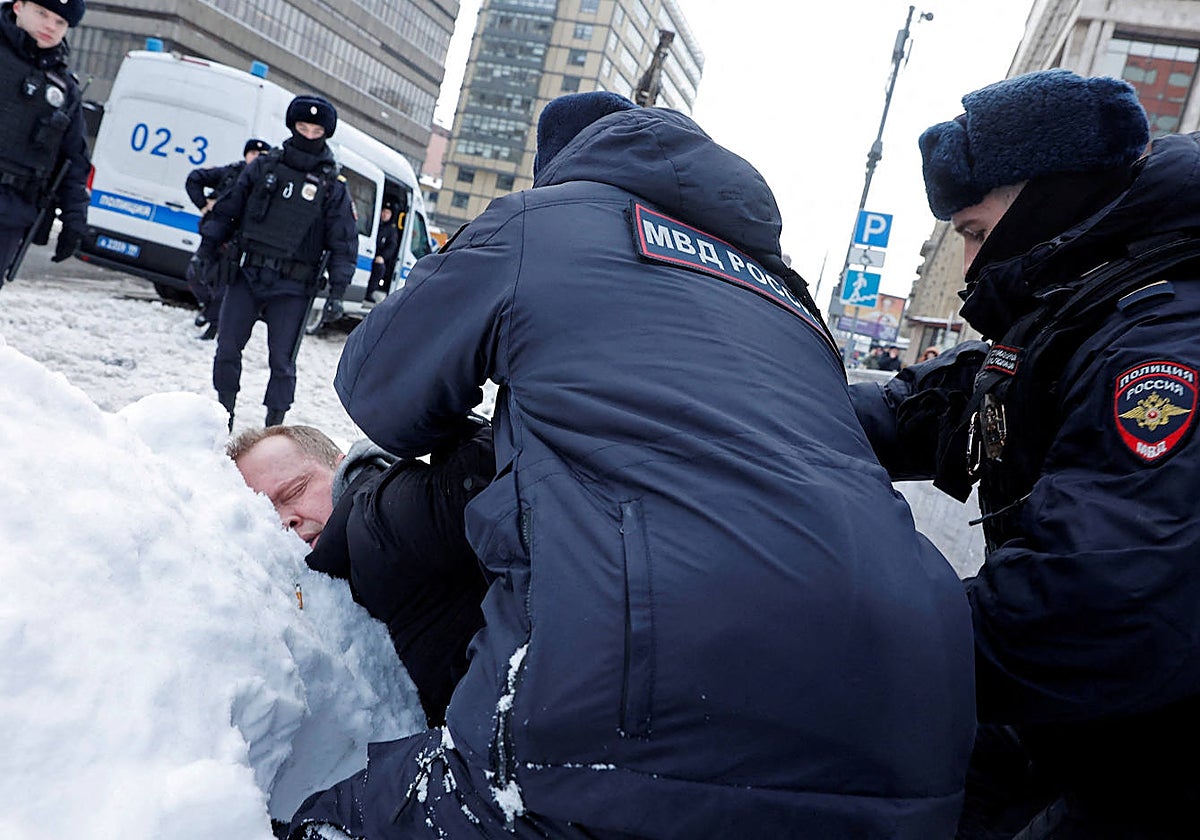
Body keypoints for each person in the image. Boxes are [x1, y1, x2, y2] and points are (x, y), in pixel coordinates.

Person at [283, 92, 975, 839]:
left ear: (562, 169)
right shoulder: (791, 300)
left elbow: (379, 393)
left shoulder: (538, 222)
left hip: (637, 704)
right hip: (912, 731)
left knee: (344, 820)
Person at [850, 69, 1200, 838]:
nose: (971, 267)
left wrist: (848, 639)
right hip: (1079, 726)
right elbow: (940, 404)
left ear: (1047, 198)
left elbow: (1096, 605)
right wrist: (767, 405)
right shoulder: (1087, 307)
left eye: (975, 232)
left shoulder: (1164, 340)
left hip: (1151, 763)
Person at [228, 417, 494, 727]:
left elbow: (492, 478)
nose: (286, 520)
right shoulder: (333, 572)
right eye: (267, 517)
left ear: (342, 466)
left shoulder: (376, 517)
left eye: (294, 491)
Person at [197, 94, 357, 429]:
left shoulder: (331, 186)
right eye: (302, 127)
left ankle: (274, 429)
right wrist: (205, 251)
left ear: (326, 134)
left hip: (293, 287)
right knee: (227, 349)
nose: (309, 135)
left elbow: (343, 241)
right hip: (247, 274)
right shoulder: (264, 166)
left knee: (282, 363)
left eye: (316, 130)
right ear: (291, 126)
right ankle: (223, 417)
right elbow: (228, 211)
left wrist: (338, 292)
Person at [0, 0, 89, 288]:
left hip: (11, 213)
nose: (50, 26)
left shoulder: (64, 88)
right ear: (18, 7)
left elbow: (73, 159)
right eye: (42, 13)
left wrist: (75, 219)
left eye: (60, 22)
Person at [184, 138, 271, 339]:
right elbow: (195, 178)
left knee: (224, 286)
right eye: (253, 154)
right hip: (213, 234)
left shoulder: (264, 182)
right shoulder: (231, 171)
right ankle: (209, 309)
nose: (256, 158)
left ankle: (212, 324)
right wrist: (203, 204)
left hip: (236, 242)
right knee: (195, 273)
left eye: (260, 156)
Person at [364, 198, 400, 304]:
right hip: (369, 252)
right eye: (383, 211)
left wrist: (382, 257)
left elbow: (391, 246)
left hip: (378, 257)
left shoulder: (391, 230)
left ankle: (369, 292)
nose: (384, 215)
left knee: (380, 268)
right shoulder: (374, 223)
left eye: (387, 213)